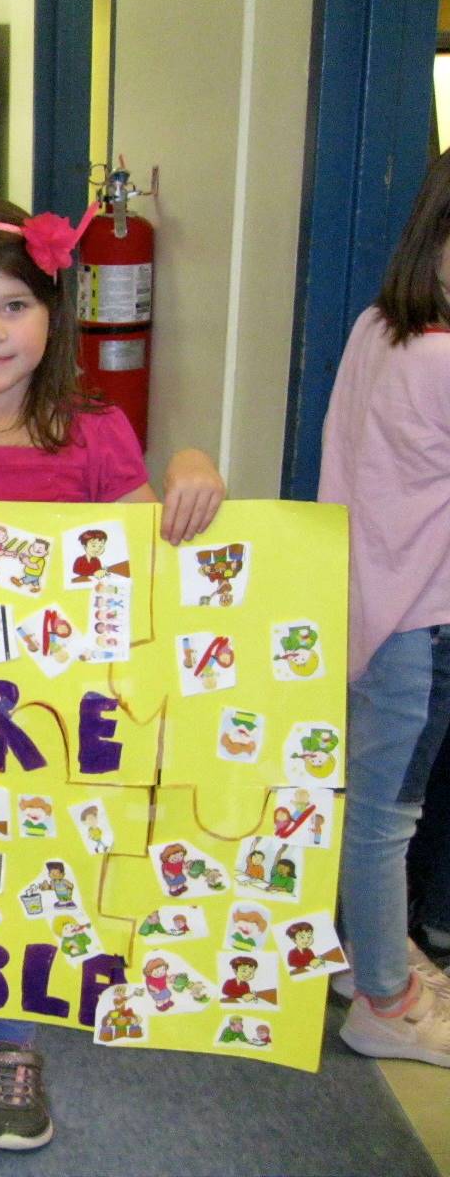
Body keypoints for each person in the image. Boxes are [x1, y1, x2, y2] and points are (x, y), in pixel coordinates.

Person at [0, 194, 226, 1150]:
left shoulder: (95, 431)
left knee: (33, 880)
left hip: (53, 727)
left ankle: (16, 1045)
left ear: (51, 315)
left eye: (14, 305)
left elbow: (151, 548)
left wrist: (189, 465)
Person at [320, 147, 450, 1068]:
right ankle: (385, 1000)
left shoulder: (379, 328)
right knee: (385, 818)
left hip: (363, 604)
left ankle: (356, 953)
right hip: (425, 622)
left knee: (360, 806)